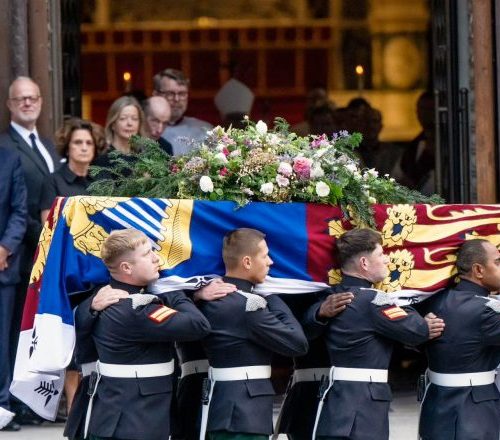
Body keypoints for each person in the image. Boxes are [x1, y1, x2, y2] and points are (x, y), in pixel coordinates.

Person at [302, 228, 445, 440]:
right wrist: (414, 311)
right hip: (363, 409)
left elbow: (306, 325)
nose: (387, 260)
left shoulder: (331, 296)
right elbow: (416, 331)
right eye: (381, 254)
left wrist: (318, 313)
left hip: (335, 402)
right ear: (364, 263)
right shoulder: (373, 301)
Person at [74, 228, 210, 440]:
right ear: (126, 267)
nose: (157, 259)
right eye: (147, 254)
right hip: (135, 422)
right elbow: (198, 325)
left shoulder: (100, 300)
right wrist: (172, 288)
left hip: (121, 417)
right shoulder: (135, 308)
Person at [198, 228, 309, 440]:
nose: (270, 262)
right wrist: (271, 295)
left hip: (224, 408)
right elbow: (297, 344)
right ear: (247, 262)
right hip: (244, 414)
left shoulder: (210, 300)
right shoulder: (248, 306)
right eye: (265, 256)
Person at [0, 76, 60, 426]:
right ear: (9, 104)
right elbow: (17, 206)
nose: (27, 103)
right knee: (10, 333)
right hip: (20, 255)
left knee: (31, 332)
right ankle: (8, 402)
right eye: (20, 98)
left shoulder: (47, 146)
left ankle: (26, 402)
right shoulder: (5, 146)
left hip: (42, 255)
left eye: (33, 97)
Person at [419, 239, 500, 440]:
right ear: (478, 270)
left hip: (434, 406)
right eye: (498, 263)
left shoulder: (433, 301)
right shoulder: (487, 311)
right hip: (475, 411)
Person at [0, 147, 27, 432]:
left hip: (2, 266)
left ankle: (2, 407)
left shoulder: (9, 159)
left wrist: (5, 247)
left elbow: (20, 211)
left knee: (2, 342)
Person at [40, 118, 106, 223]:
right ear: (67, 148)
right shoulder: (52, 181)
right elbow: (48, 226)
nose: (84, 148)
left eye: (89, 143)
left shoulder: (103, 180)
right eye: (78, 142)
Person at [153, 68, 212, 155]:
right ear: (156, 95)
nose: (176, 99)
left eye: (182, 94)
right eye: (170, 93)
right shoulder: (142, 129)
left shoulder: (205, 130)